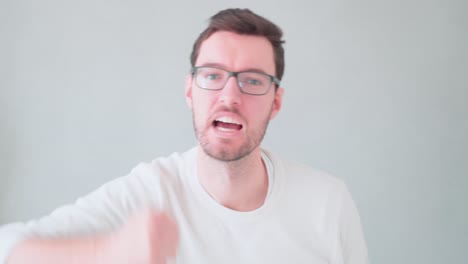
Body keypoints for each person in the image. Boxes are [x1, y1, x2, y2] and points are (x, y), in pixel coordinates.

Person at [0, 8, 368, 264]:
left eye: (253, 80)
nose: (230, 95)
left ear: (276, 102)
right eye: (212, 75)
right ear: (190, 90)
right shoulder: (148, 193)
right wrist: (106, 255)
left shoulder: (328, 203)